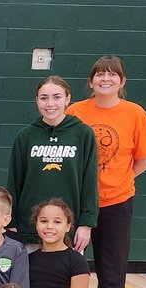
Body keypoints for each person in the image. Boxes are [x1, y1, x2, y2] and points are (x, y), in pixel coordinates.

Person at [67, 55, 146, 288]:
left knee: (112, 273)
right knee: (65, 270)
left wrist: (121, 179)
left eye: (112, 75)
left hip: (116, 204)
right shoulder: (75, 112)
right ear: (91, 82)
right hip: (76, 205)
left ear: (122, 81)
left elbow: (144, 159)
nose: (106, 79)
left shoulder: (135, 114)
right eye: (100, 75)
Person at [6, 75, 98, 251]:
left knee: (65, 277)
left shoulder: (83, 134)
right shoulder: (25, 136)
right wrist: (12, 222)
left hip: (68, 230)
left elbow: (90, 182)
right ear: (37, 101)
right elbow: (14, 183)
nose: (50, 104)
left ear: (67, 99)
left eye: (57, 97)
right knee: (28, 278)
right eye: (44, 98)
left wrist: (86, 224)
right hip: (29, 229)